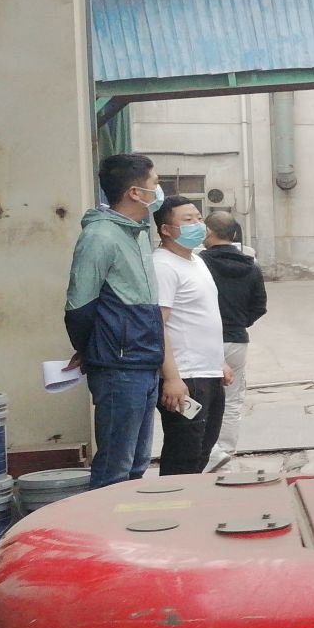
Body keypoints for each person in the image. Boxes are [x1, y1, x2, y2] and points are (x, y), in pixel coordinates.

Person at [64, 153, 167, 488]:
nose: (159, 190)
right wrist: (89, 349)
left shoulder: (137, 234)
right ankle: (103, 522)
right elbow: (79, 306)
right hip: (119, 366)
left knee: (137, 464)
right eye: (155, 183)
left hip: (144, 361)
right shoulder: (100, 236)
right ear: (135, 192)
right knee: (115, 467)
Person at [151, 198, 233, 474]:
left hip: (208, 373)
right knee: (184, 455)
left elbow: (201, 317)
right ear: (166, 229)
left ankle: (193, 498)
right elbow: (158, 325)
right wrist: (172, 378)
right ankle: (175, 499)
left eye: (199, 218)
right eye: (187, 220)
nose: (198, 225)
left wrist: (219, 362)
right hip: (186, 377)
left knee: (203, 451)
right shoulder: (163, 265)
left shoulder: (196, 260)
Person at [199, 210, 267, 471]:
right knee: (232, 399)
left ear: (208, 232)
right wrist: (239, 322)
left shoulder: (199, 264)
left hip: (203, 340)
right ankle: (225, 451)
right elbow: (259, 306)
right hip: (237, 340)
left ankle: (210, 452)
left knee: (200, 398)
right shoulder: (251, 267)